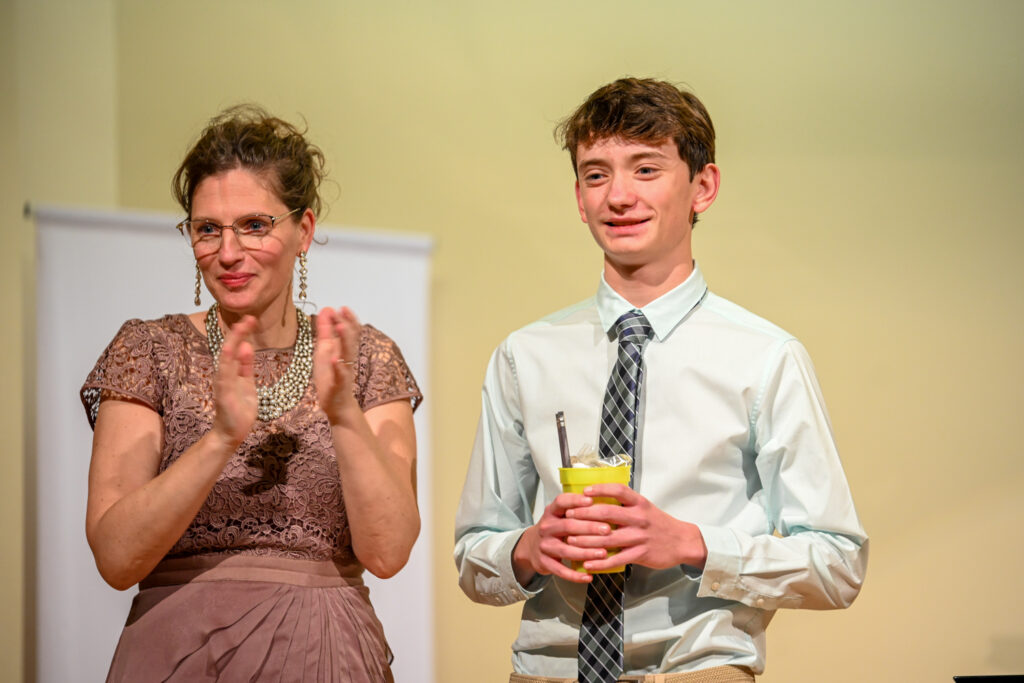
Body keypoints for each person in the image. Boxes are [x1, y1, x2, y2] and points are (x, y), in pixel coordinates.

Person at [454, 77, 868, 682]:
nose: (619, 195)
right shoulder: (524, 355)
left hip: (696, 671)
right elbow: (473, 557)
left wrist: (694, 545)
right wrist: (529, 549)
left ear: (704, 187)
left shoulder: (766, 357)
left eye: (646, 170)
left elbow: (838, 564)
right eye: (596, 175)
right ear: (579, 198)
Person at [81, 105, 422, 682]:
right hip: (179, 651)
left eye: (254, 225)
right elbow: (116, 559)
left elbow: (388, 554)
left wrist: (343, 414)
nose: (228, 252)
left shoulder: (365, 357)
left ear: (304, 230)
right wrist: (219, 439)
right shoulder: (149, 349)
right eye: (207, 229)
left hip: (325, 653)